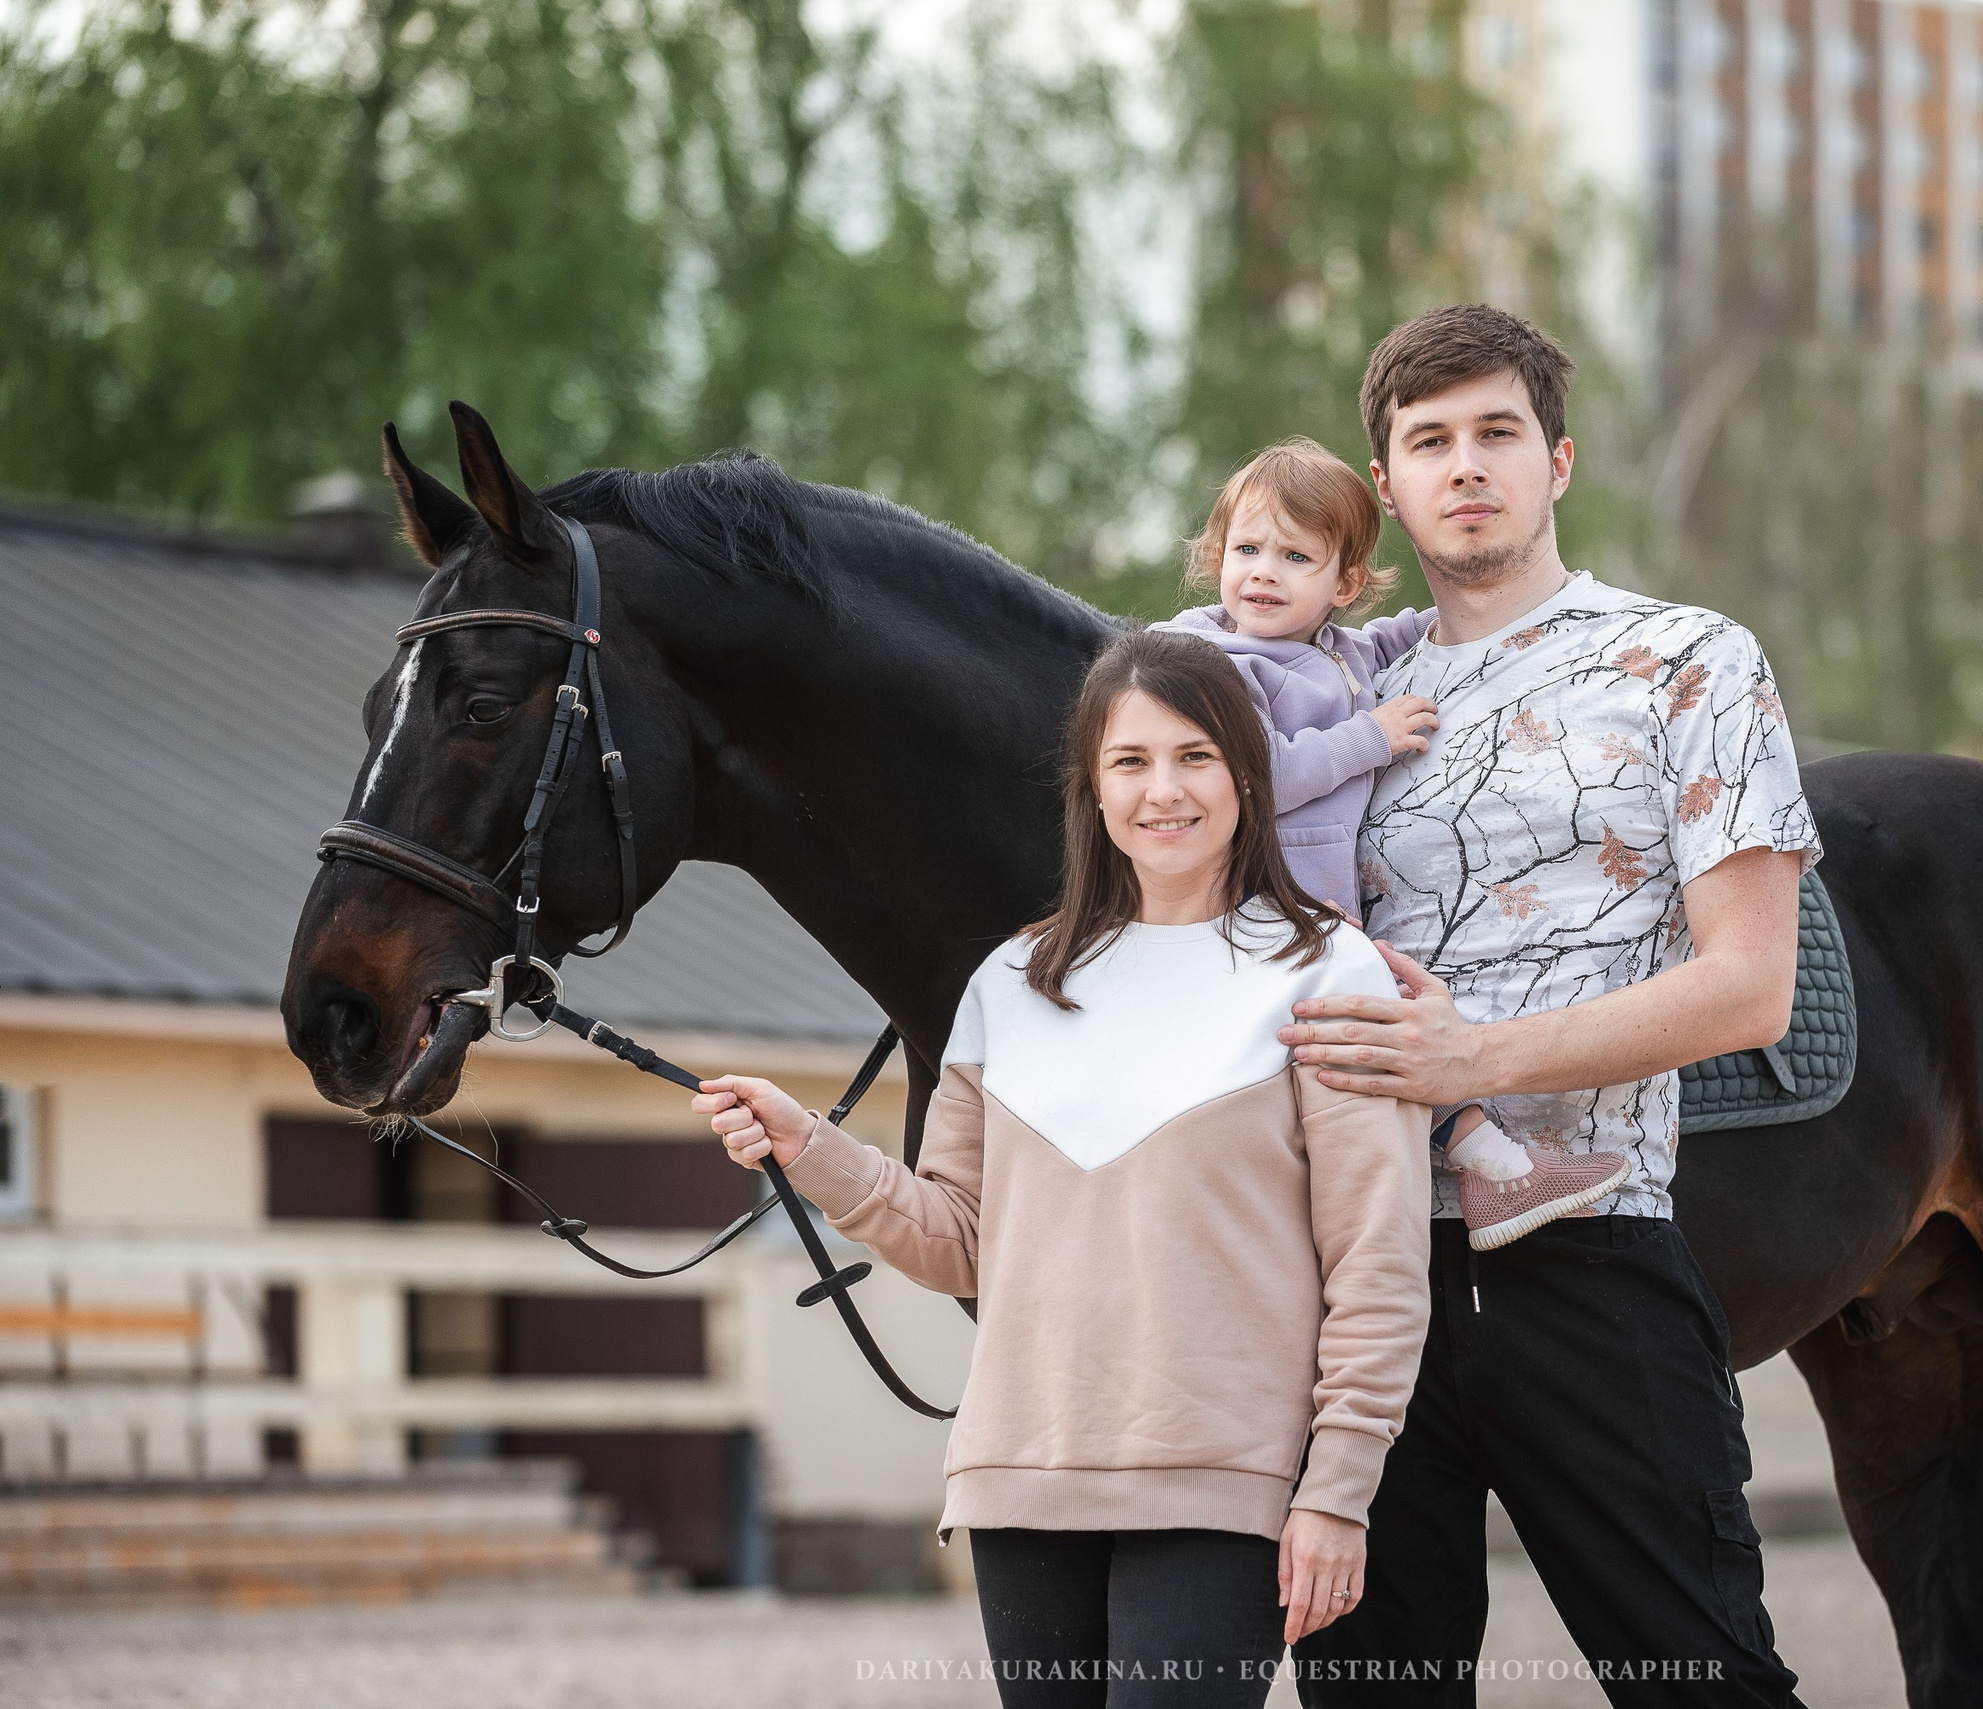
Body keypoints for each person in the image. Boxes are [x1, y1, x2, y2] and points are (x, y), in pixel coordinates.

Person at [694, 629, 1432, 1707]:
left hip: (1221, 1481)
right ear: (1091, 785)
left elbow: (1375, 1260)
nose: (1161, 790)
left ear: (1245, 771)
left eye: (1194, 756)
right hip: (1020, 1474)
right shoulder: (1011, 980)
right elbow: (958, 1241)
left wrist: (1337, 1490)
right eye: (1130, 761)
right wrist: (811, 1148)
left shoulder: (1327, 971)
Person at [1281, 304, 1822, 1707]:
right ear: (1387, 491)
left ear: (1558, 463)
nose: (1466, 465)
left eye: (1496, 434)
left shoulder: (1689, 660)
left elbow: (1749, 986)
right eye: (1428, 442)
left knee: (1702, 1682)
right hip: (1357, 1281)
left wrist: (1472, 1054)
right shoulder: (1338, 694)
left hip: (1587, 1253)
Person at [1155, 436, 1632, 1252]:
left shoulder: (1337, 650)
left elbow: (1421, 626)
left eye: (1295, 556)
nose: (1263, 572)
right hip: (1254, 909)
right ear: (1218, 556)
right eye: (1247, 549)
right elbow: (1255, 772)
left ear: (1342, 585)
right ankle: (1494, 1170)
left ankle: (1488, 1173)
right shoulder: (1216, 664)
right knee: (1381, 1026)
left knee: (1391, 1029)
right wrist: (1370, 737)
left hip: (1319, 913)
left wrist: (1503, 589)